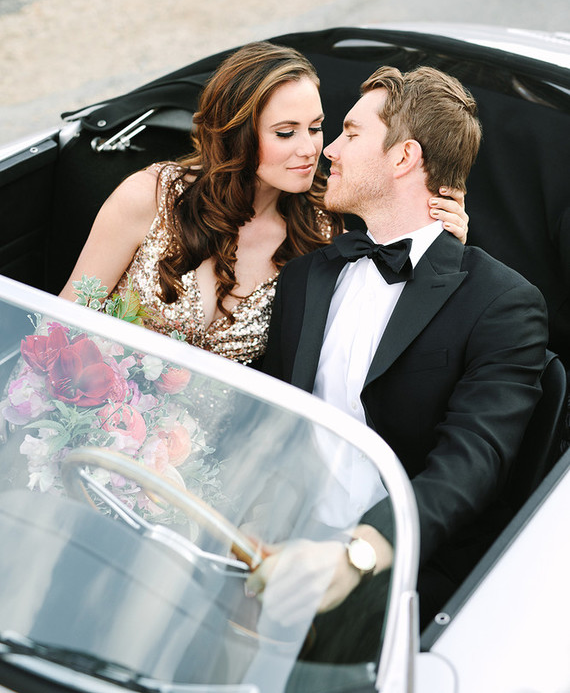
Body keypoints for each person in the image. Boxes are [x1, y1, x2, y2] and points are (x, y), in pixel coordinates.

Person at [252, 64, 549, 640]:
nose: (328, 151)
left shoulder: (502, 304)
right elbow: (271, 419)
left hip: (403, 578)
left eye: (350, 133)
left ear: (404, 157)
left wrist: (359, 554)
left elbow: (473, 461)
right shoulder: (305, 278)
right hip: (276, 541)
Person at [59, 43, 468, 366]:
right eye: (286, 133)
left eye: (316, 127)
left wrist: (436, 241)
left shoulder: (323, 231)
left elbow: (371, 327)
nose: (310, 149)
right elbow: (63, 322)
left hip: (214, 455)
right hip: (94, 421)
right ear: (239, 135)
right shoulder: (150, 196)